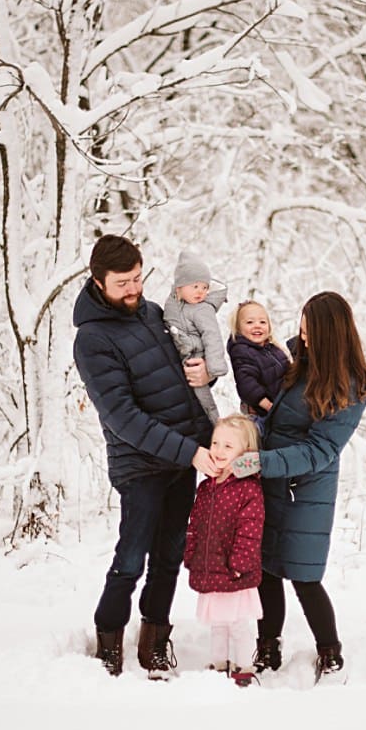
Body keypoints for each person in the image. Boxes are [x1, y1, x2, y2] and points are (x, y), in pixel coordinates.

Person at [72, 234, 222, 679]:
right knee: (132, 558)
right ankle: (109, 640)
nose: (134, 289)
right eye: (122, 283)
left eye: (138, 278)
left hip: (183, 458)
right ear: (98, 282)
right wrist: (190, 451)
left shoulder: (154, 314)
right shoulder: (92, 340)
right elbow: (123, 418)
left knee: (169, 556)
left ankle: (154, 641)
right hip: (140, 466)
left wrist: (204, 375)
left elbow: (182, 378)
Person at [232, 291, 366, 683]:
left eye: (310, 331)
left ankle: (330, 651)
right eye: (302, 329)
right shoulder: (298, 365)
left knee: (305, 576)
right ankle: (268, 646)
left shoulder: (349, 386)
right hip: (271, 484)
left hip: (304, 492)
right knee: (266, 571)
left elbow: (319, 450)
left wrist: (260, 462)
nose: (303, 337)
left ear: (330, 334)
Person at [183, 414, 265, 687]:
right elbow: (195, 524)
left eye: (228, 446)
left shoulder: (248, 488)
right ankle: (219, 664)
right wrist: (191, 553)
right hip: (211, 567)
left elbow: (250, 529)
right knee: (218, 623)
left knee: (238, 623)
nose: (218, 450)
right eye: (215, 443)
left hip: (235, 570)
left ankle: (243, 667)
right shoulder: (207, 487)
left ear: (244, 453)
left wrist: (240, 563)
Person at [162, 251, 228, 423]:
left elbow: (212, 336)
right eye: (195, 286)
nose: (200, 292)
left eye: (205, 287)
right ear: (180, 287)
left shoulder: (202, 309)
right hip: (179, 362)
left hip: (196, 359)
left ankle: (216, 427)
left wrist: (214, 367)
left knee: (205, 403)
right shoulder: (172, 303)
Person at [226, 300, 291, 424]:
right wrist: (269, 406)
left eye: (262, 322)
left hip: (281, 407)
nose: (257, 326)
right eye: (250, 322)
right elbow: (247, 385)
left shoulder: (272, 349)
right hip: (262, 413)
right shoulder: (242, 351)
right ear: (238, 328)